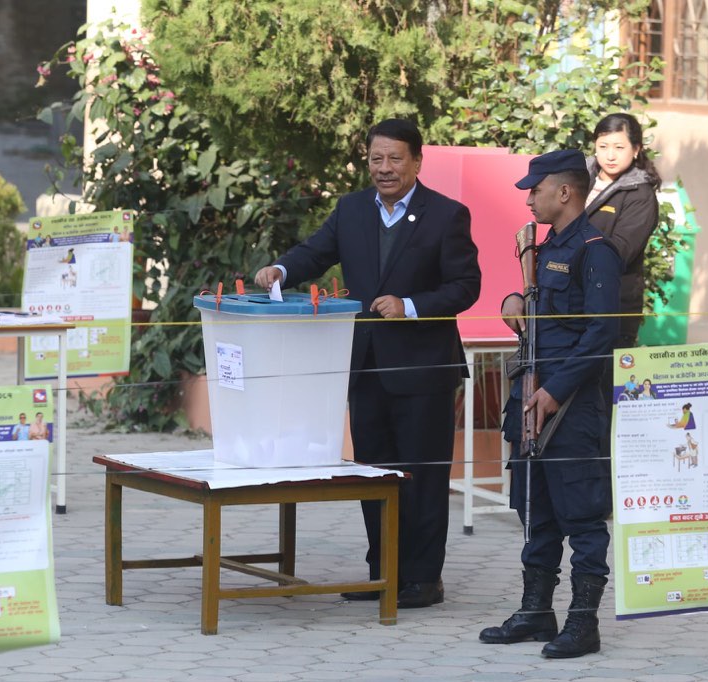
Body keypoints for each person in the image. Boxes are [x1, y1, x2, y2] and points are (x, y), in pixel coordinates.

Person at [255, 118, 481, 609]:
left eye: (395, 158)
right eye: (376, 158)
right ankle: (382, 574)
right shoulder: (352, 209)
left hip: (423, 370)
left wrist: (410, 305)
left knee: (421, 477)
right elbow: (316, 252)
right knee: (375, 475)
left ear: (417, 161)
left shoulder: (446, 215)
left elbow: (466, 286)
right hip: (365, 367)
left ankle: (423, 580)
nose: (385, 168)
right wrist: (282, 269)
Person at [478, 150, 621, 658]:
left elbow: (601, 333)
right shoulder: (545, 247)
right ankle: (536, 611)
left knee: (581, 515)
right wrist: (512, 301)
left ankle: (583, 623)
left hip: (571, 403)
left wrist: (555, 391)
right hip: (529, 394)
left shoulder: (595, 250)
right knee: (534, 509)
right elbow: (538, 305)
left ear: (564, 192)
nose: (529, 199)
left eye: (535, 190)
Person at [587, 114, 662, 448]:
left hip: (612, 310)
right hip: (571, 307)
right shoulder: (577, 179)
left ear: (636, 149)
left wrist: (570, 257)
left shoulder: (640, 194)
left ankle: (603, 474)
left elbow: (618, 252)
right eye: (603, 146)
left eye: (619, 147)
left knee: (602, 402)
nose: (610, 155)